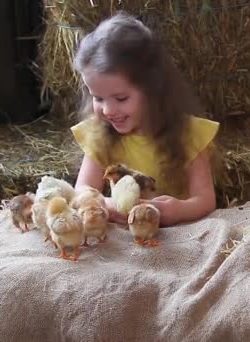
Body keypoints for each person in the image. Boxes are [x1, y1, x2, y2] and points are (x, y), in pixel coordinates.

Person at [70, 12, 219, 227]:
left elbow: (205, 200)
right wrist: (113, 206)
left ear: (152, 89)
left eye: (121, 98)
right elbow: (81, 193)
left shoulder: (190, 134)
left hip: (179, 234)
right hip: (124, 237)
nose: (108, 110)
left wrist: (177, 210)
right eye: (98, 98)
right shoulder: (98, 134)